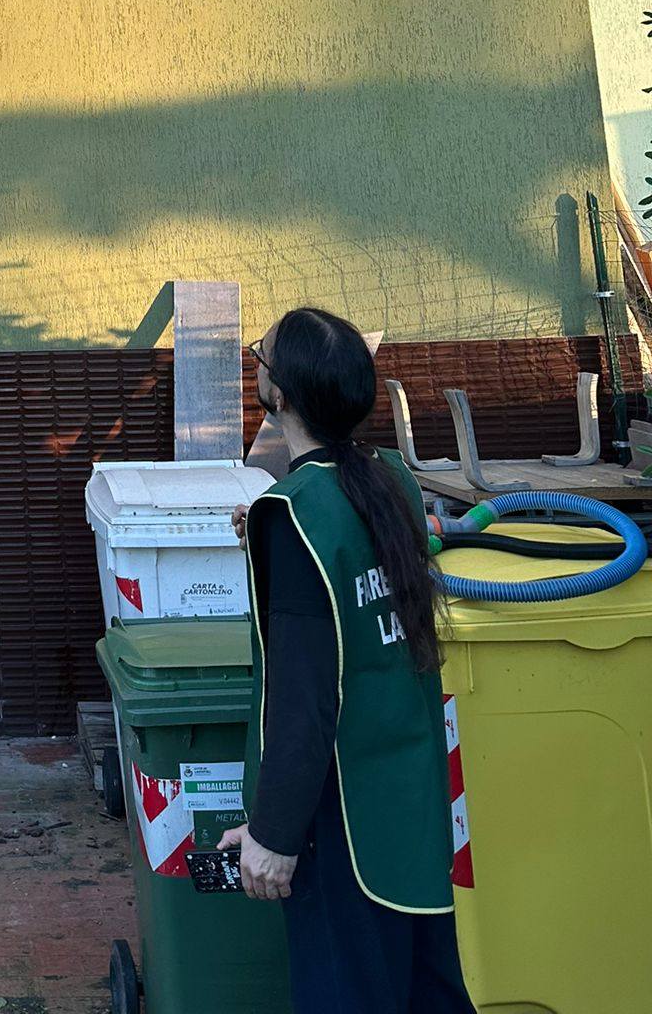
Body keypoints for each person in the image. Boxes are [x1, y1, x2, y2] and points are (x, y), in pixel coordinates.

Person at [220, 307, 477, 1014]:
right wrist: (270, 535)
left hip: (342, 827)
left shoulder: (295, 514)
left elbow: (303, 699)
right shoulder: (391, 480)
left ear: (279, 393)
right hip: (411, 807)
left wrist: (275, 835)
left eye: (260, 356)